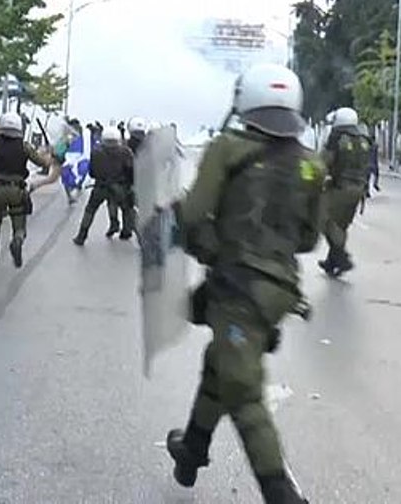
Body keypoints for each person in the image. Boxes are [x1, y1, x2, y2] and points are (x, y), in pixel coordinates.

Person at [165, 63, 322, 504]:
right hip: (280, 291)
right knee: (221, 362)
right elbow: (309, 239)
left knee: (244, 391)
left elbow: (193, 214)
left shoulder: (227, 149)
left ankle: (282, 494)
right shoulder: (312, 164)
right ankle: (192, 449)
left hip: (238, 290)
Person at [0, 112, 51, 267]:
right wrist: (47, 154)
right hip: (17, 191)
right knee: (19, 223)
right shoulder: (24, 146)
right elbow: (43, 164)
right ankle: (17, 241)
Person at [317, 107, 370, 278]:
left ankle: (342, 256)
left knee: (324, 219)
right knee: (342, 225)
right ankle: (332, 262)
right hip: (359, 188)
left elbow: (324, 162)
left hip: (340, 187)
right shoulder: (363, 139)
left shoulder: (337, 137)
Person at [72, 126, 134, 244]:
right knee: (127, 209)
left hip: (100, 186)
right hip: (119, 187)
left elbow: (92, 172)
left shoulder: (96, 152)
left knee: (90, 210)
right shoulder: (126, 152)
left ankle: (81, 236)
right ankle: (127, 232)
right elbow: (131, 171)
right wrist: (129, 185)